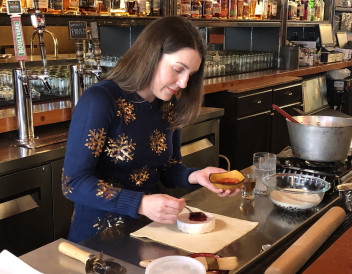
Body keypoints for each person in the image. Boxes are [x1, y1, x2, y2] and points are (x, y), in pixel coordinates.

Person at [62, 16, 242, 243]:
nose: (184, 83)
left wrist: (197, 176)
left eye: (191, 75)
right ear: (150, 57)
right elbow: (73, 183)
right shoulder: (101, 100)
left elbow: (169, 168)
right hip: (97, 238)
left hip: (147, 232)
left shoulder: (168, 105)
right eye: (178, 69)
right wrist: (140, 203)